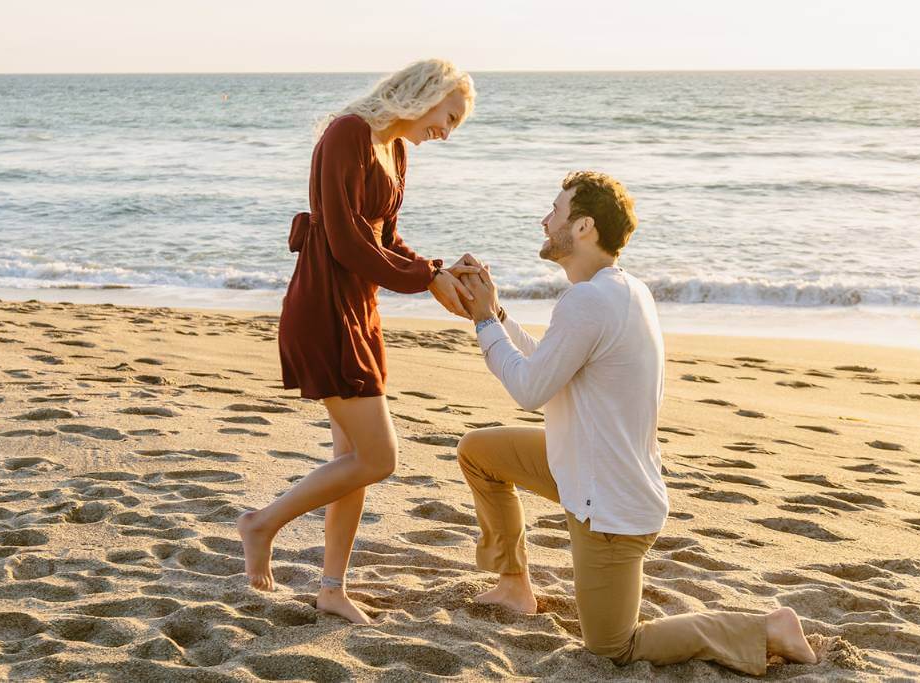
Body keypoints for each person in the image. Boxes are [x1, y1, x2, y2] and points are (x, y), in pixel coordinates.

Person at [454, 171, 818, 674]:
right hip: (582, 464)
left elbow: (529, 390)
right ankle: (514, 586)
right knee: (480, 453)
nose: (544, 220)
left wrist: (482, 323)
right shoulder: (623, 291)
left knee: (613, 646)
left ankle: (766, 629)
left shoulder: (590, 301)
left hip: (610, 506)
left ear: (583, 227)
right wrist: (494, 311)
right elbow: (551, 367)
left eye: (555, 211)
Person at [238, 59, 480, 624]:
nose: (446, 132)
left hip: (358, 310)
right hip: (323, 309)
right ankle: (260, 523)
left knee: (351, 459)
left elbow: (386, 238)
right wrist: (427, 281)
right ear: (425, 94)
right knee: (379, 457)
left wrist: (437, 269)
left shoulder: (396, 151)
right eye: (448, 117)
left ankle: (330, 587)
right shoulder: (346, 133)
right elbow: (346, 241)